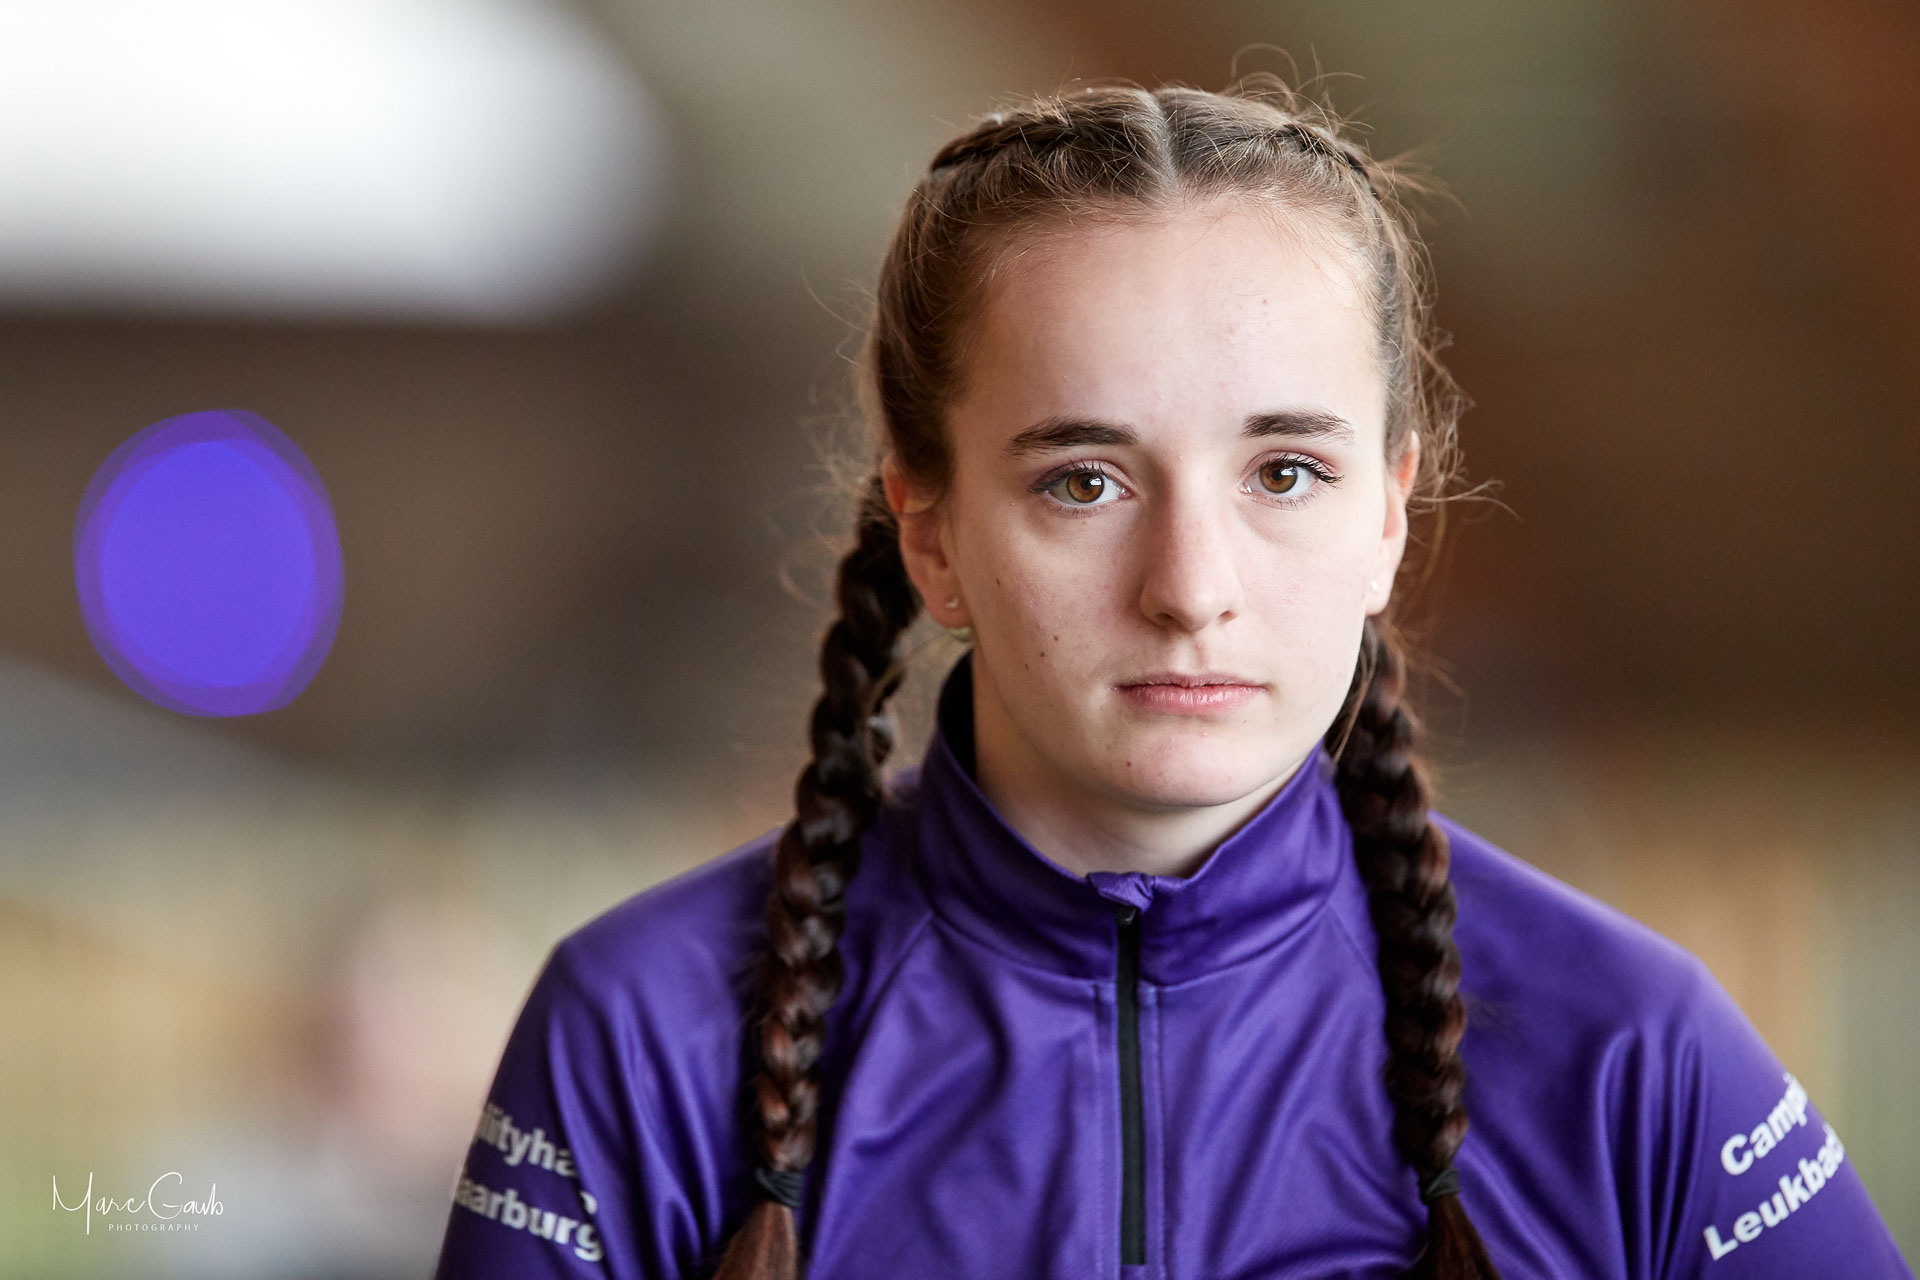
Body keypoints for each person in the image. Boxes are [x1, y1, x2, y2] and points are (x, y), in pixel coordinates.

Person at [429, 75, 1913, 1279]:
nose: (1191, 587)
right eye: (1083, 480)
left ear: (1390, 518)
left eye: (1285, 471)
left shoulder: (1629, 1052)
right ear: (931, 532)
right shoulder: (645, 1032)